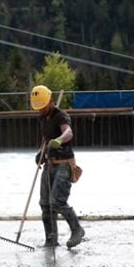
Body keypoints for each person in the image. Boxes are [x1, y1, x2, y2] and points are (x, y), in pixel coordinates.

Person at [30, 85, 85, 249]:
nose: (40, 110)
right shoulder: (42, 118)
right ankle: (51, 239)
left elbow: (68, 132)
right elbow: (45, 139)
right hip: (49, 164)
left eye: (42, 107)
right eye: (38, 108)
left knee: (57, 201)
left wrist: (59, 140)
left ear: (50, 101)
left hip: (64, 164)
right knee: (45, 203)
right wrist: (41, 153)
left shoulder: (61, 116)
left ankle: (77, 230)